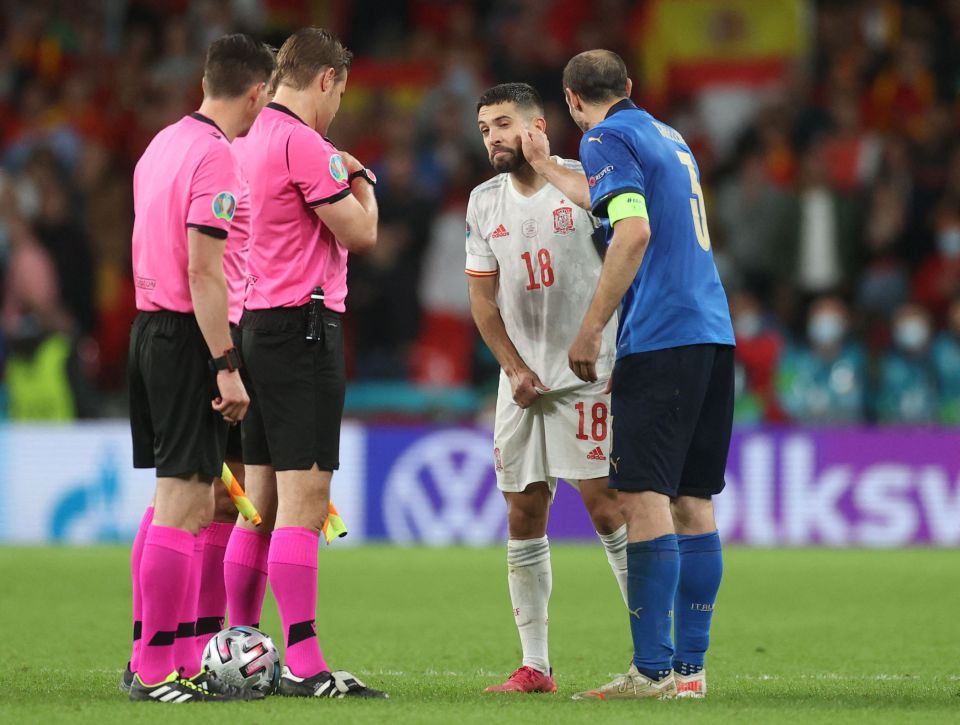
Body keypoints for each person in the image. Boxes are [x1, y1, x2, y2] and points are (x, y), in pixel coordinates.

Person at [563, 50, 735, 700]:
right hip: (712, 330)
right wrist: (551, 166)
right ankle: (689, 672)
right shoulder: (669, 136)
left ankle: (652, 668)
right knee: (693, 501)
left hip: (660, 334)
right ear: (630, 87)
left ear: (575, 103)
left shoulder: (604, 137)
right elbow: (611, 197)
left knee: (642, 497)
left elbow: (630, 230)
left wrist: (590, 328)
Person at [223, 27, 386, 699]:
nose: (338, 105)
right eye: (340, 92)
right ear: (326, 80)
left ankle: (236, 645)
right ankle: (304, 661)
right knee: (303, 500)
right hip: (305, 330)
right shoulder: (303, 143)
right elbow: (362, 232)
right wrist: (360, 179)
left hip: (256, 325)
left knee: (256, 501)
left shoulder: (247, 139)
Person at [466, 82, 629, 695]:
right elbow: (483, 303)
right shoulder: (483, 203)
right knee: (523, 510)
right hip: (523, 382)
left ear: (539, 126)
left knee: (606, 505)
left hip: (588, 373)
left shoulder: (585, 183)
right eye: (485, 129)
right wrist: (511, 368)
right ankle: (536, 665)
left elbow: (629, 251)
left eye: (504, 124)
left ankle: (652, 656)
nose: (493, 138)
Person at [125, 33, 274, 703]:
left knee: (170, 503)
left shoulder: (162, 143)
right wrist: (225, 364)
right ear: (255, 92)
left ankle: (165, 650)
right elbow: (203, 267)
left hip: (149, 326)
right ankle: (157, 667)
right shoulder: (216, 158)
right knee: (186, 504)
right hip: (191, 335)